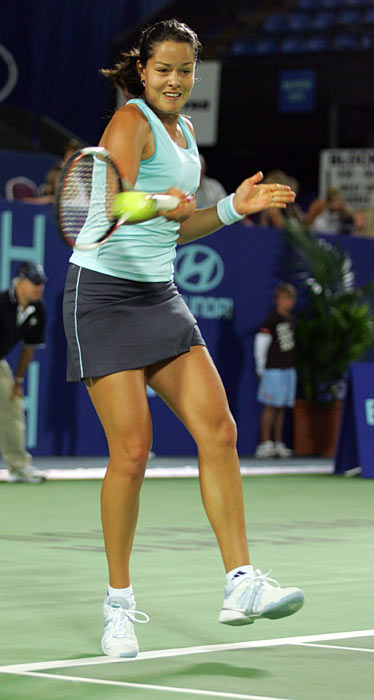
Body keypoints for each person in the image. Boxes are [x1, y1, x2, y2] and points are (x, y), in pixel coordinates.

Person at [62, 19, 304, 658]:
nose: (175, 81)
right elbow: (111, 204)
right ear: (143, 70)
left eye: (185, 71)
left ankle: (241, 582)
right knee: (133, 453)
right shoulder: (130, 123)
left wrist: (230, 210)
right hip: (103, 296)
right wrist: (156, 203)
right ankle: (118, 606)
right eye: (164, 69)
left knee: (219, 429)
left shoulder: (186, 133)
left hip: (158, 294)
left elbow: (177, 228)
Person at [0, 262, 47, 483]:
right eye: (35, 282)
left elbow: (29, 349)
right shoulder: (1, 303)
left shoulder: (38, 310)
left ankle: (18, 467)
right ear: (20, 282)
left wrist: (17, 380)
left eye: (42, 284)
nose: (40, 288)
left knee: (12, 406)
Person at [254, 283, 297, 458]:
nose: (288, 302)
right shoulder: (271, 320)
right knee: (271, 406)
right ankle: (265, 444)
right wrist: (260, 366)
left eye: (291, 298)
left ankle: (278, 442)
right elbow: (261, 344)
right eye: (284, 298)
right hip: (273, 369)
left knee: (282, 407)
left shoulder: (292, 320)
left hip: (288, 369)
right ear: (278, 299)